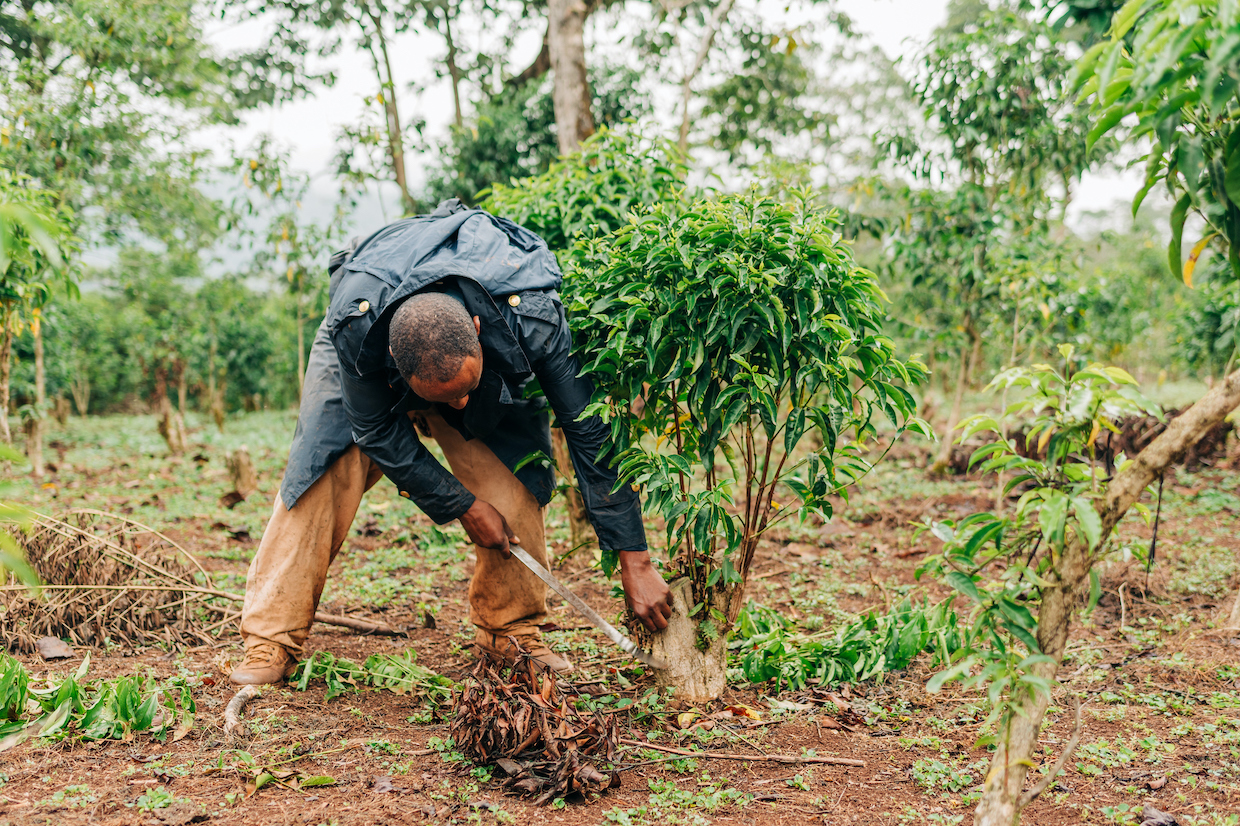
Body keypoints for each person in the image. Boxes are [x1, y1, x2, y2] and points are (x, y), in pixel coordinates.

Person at [229, 200, 674, 685]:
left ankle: (511, 630)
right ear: (395, 368)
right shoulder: (357, 332)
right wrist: (460, 505)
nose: (459, 408)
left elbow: (587, 426)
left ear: (478, 333)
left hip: (495, 329)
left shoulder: (533, 317)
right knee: (322, 468)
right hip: (372, 321)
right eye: (443, 400)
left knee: (514, 481)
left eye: (466, 390)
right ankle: (270, 637)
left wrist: (636, 558)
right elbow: (376, 429)